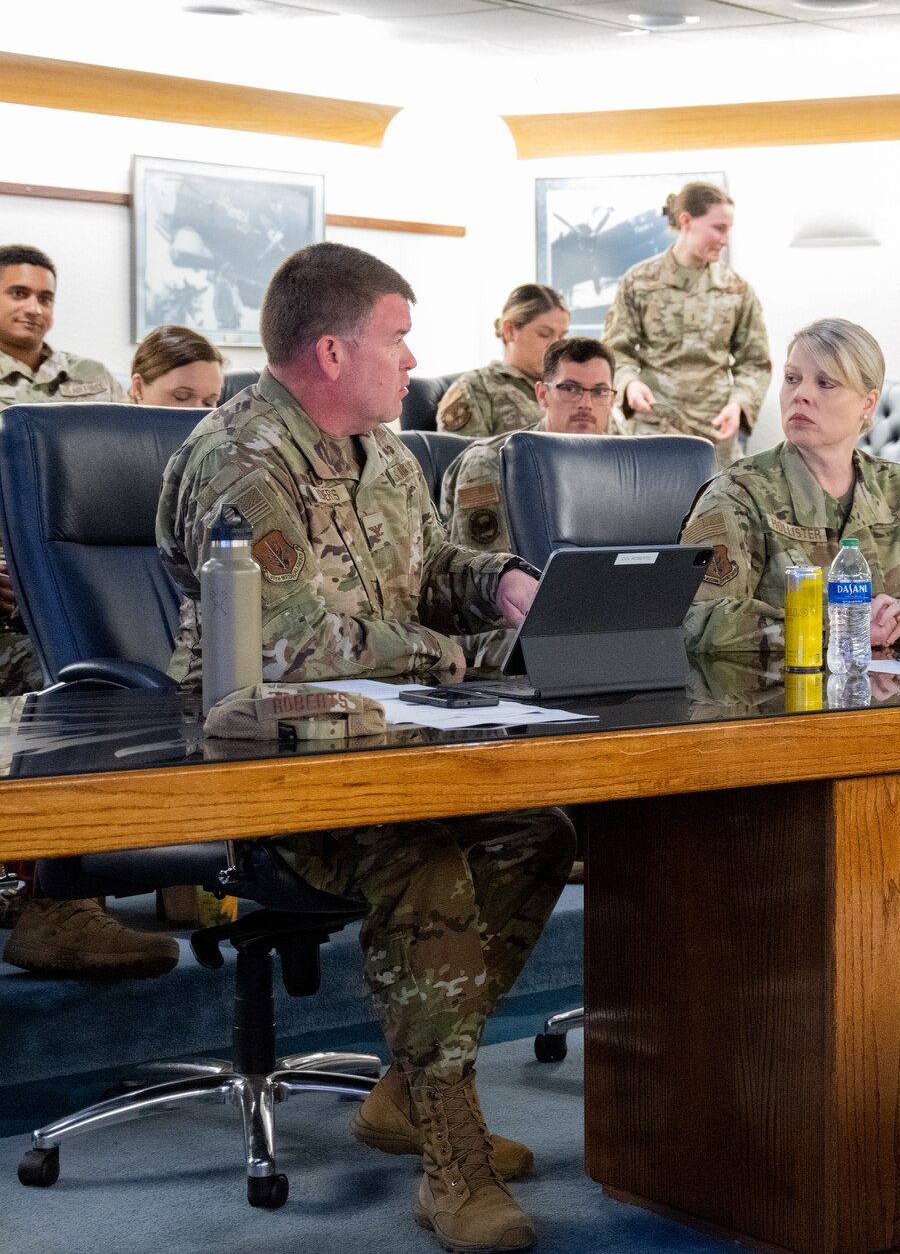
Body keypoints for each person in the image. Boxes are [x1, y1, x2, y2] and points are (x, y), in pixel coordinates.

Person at [157, 242, 571, 1253]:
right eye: (397, 335)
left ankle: (404, 1091)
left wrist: (506, 582)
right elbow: (293, 645)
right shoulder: (240, 461)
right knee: (425, 855)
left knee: (538, 829)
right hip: (269, 767)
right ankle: (451, 1164)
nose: (411, 354)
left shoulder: (385, 454)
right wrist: (468, 653)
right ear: (334, 351)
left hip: (396, 741)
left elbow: (430, 568)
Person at [682, 318, 900, 1027]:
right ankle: (836, 1045)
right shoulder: (738, 495)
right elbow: (702, 623)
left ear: (868, 405)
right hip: (771, 746)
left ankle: (895, 1035)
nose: (799, 395)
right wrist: (825, 631)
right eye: (793, 378)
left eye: (824, 382)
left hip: (892, 746)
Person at [0, 246, 177, 982]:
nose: (33, 306)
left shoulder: (93, 380)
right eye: (16, 292)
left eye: (44, 294)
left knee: (141, 658)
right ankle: (58, 903)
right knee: (71, 683)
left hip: (71, 596)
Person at [605, 181, 770, 475]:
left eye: (728, 229)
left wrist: (740, 404)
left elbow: (755, 362)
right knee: (644, 516)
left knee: (718, 518)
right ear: (686, 221)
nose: (725, 239)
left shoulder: (737, 289)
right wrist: (629, 383)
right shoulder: (639, 281)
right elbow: (616, 350)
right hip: (653, 430)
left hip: (715, 435)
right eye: (718, 228)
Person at [439, 336, 618, 558]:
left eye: (599, 391)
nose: (586, 404)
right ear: (542, 395)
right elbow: (488, 573)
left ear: (612, 401)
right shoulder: (492, 463)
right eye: (570, 389)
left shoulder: (627, 466)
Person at [435, 284, 568, 438]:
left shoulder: (571, 387)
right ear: (509, 330)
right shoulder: (475, 388)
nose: (557, 346)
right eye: (544, 334)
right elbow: (464, 459)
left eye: (562, 336)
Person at [128, 324, 226, 408]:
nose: (198, 412)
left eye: (209, 402)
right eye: (181, 397)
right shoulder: (113, 428)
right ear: (138, 388)